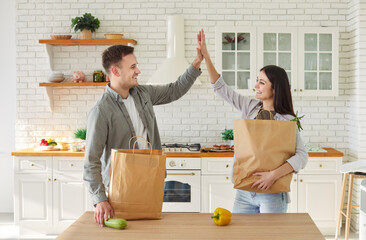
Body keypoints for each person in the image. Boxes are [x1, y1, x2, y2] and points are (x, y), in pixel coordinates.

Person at [84, 44, 203, 226]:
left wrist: (196, 62)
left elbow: (175, 90)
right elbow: (91, 161)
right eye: (132, 67)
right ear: (115, 71)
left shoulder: (143, 94)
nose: (138, 71)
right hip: (121, 189)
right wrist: (100, 199)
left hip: (151, 182)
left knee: (152, 232)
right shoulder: (101, 111)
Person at [197, 29, 308, 213]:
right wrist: (206, 56)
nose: (255, 85)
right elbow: (220, 87)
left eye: (261, 82)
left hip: (272, 193)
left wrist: (273, 176)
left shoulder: (287, 120)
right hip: (244, 192)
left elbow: (302, 156)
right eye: (257, 81)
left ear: (275, 89)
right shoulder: (250, 107)